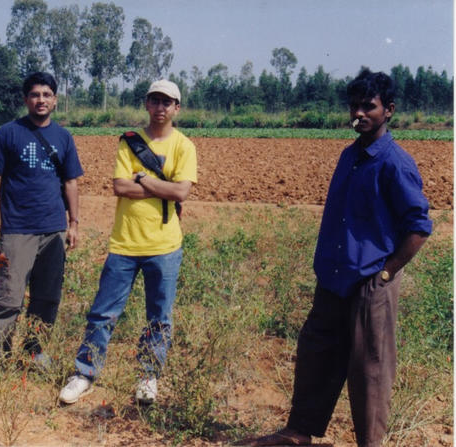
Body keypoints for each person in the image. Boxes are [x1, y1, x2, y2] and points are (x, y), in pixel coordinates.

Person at [239, 70, 432, 447]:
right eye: (354, 105)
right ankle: (298, 433)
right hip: (333, 278)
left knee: (370, 372)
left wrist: (388, 273)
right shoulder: (350, 155)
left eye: (369, 106)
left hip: (370, 283)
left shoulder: (394, 162)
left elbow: (419, 226)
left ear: (388, 110)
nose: (359, 113)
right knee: (315, 355)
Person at [59, 79, 197, 405]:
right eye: (155, 100)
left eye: (167, 102)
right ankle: (84, 373)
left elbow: (181, 192)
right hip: (124, 244)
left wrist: (143, 179)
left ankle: (148, 377)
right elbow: (120, 187)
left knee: (159, 317)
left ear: (176, 108)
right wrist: (158, 186)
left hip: (164, 247)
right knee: (103, 313)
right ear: (146, 104)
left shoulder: (184, 146)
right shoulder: (129, 142)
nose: (161, 107)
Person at [0, 72, 83, 375]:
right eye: (35, 95)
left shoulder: (63, 137)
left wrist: (73, 223)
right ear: (26, 99)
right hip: (17, 228)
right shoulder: (9, 133)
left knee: (47, 296)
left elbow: (71, 183)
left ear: (55, 100)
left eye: (47, 95)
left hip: (53, 228)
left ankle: (34, 353)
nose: (41, 100)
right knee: (9, 294)